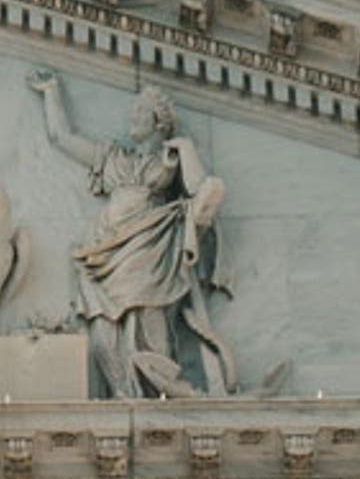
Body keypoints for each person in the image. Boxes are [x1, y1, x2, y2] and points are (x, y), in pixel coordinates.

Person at [27, 70, 237, 396]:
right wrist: (51, 91)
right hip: (105, 255)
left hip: (150, 251)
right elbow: (62, 138)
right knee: (101, 340)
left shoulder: (169, 157)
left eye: (141, 111)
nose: (132, 116)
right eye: (133, 110)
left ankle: (156, 403)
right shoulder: (112, 157)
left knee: (152, 338)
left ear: (159, 120)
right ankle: (124, 398)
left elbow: (200, 189)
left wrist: (185, 148)